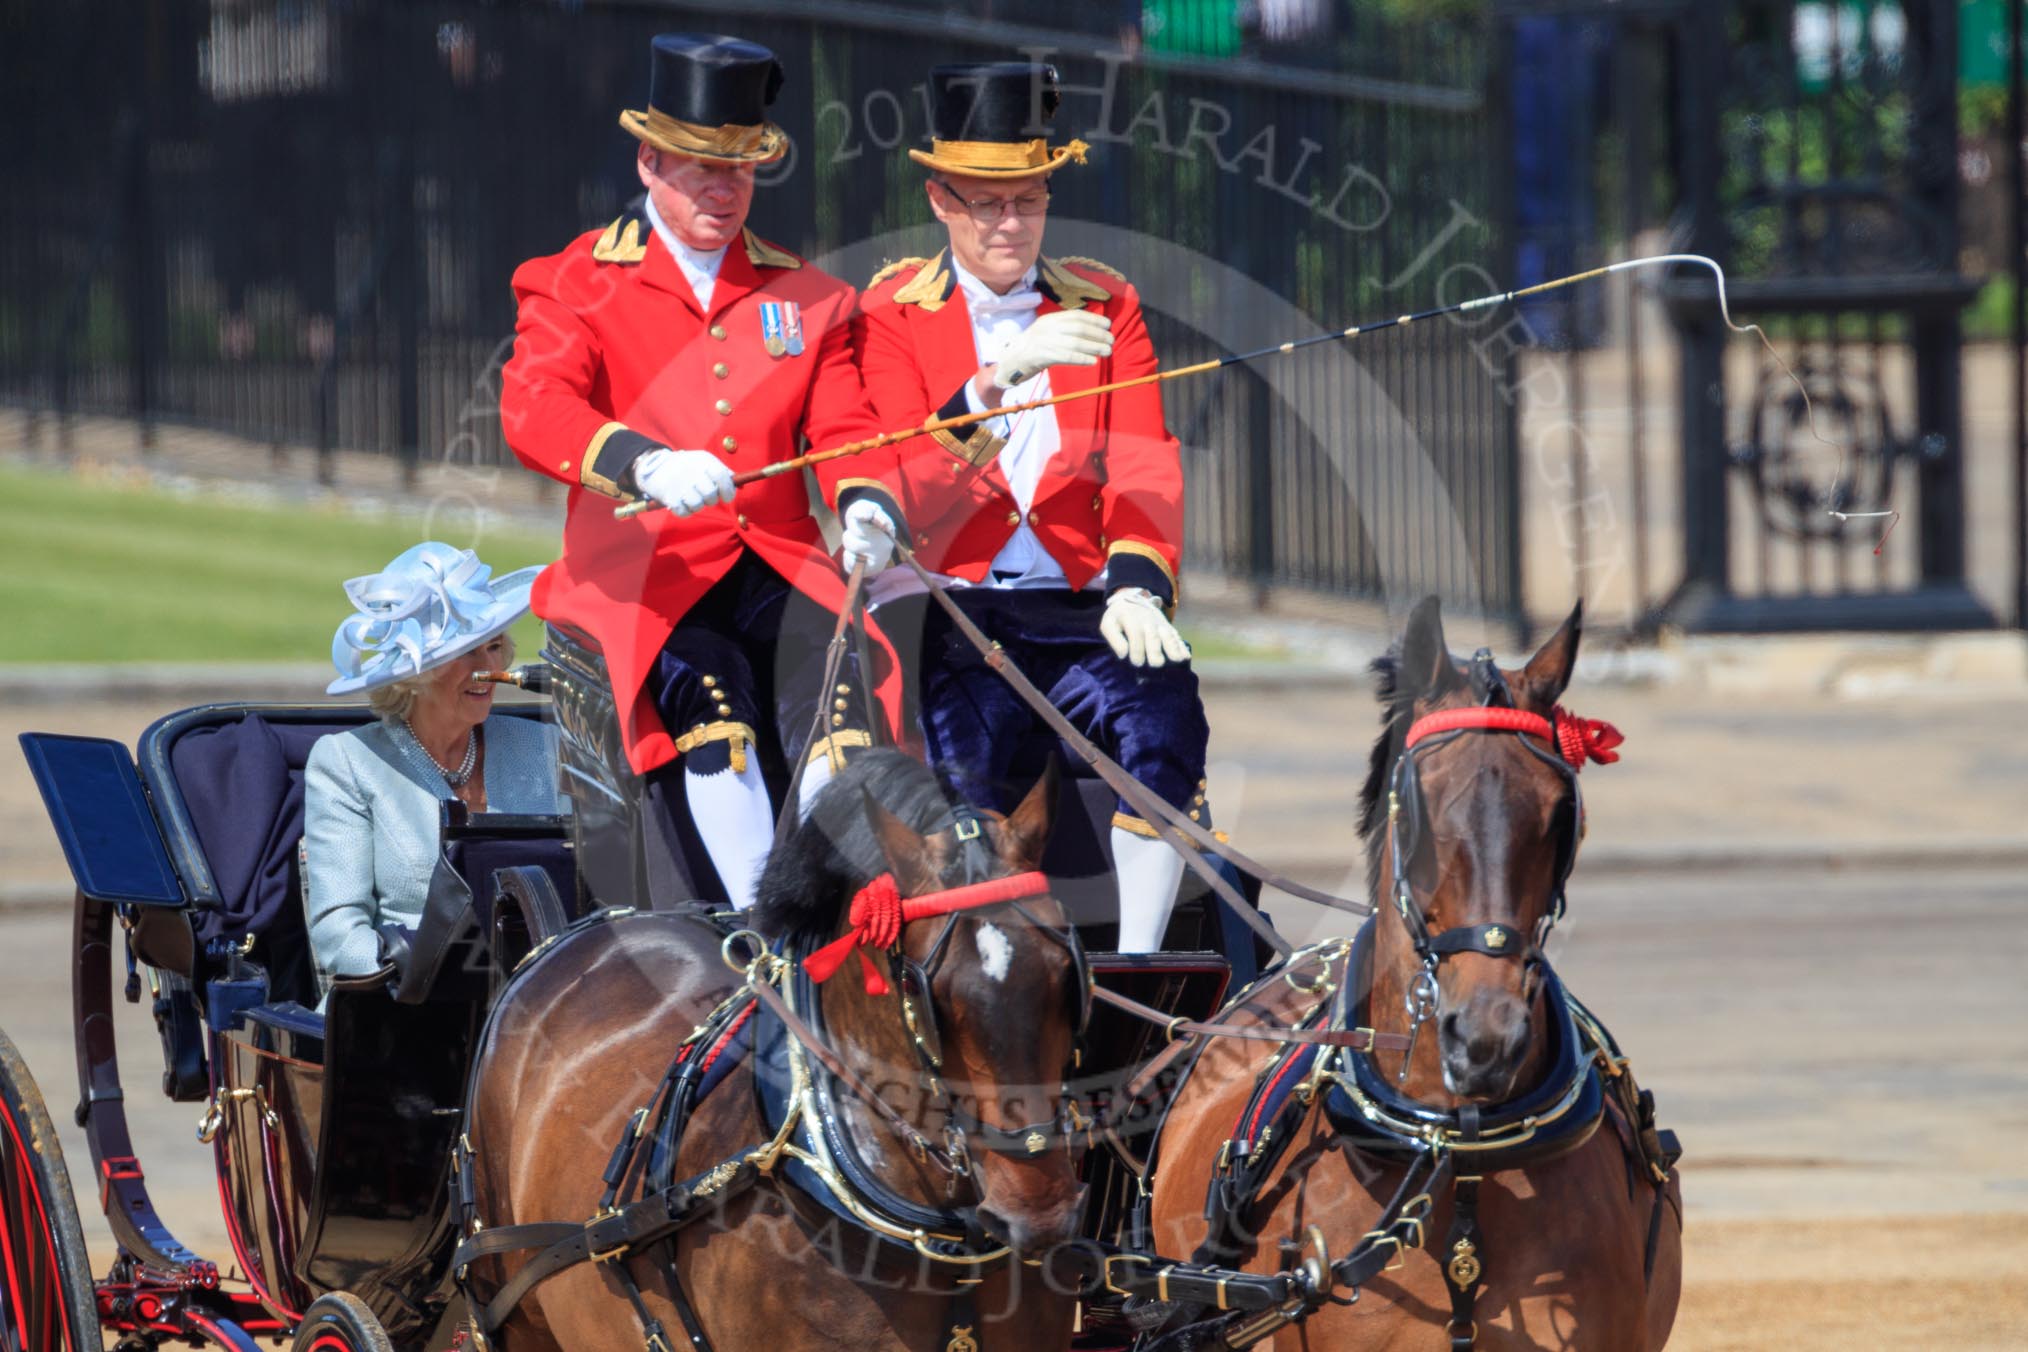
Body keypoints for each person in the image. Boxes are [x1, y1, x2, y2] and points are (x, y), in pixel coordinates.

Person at [498, 33, 904, 911]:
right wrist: (640, 464)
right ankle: (765, 935)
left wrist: (867, 503)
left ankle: (841, 923)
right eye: (699, 168)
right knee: (716, 716)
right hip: (648, 579)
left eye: (741, 171)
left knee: (840, 718)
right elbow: (535, 409)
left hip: (780, 569)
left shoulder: (808, 297)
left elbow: (847, 425)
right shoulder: (577, 282)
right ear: (649, 162)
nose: (723, 190)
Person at [853, 62, 1210, 952]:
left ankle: (1135, 968)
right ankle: (981, 978)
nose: (1011, 222)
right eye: (986, 202)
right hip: (949, 605)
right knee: (969, 765)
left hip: (1081, 600)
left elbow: (1143, 468)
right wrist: (997, 381)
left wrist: (1135, 585)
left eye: (1029, 198)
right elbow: (902, 490)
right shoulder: (890, 313)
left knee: (1167, 717)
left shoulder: (1107, 304)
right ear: (941, 201)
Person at [304, 543, 564, 990]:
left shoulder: (542, 745)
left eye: (495, 647)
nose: (490, 669)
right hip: (403, 1009)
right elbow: (337, 931)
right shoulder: (347, 762)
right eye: (467, 653)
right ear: (414, 673)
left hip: (537, 1002)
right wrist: (418, 981)